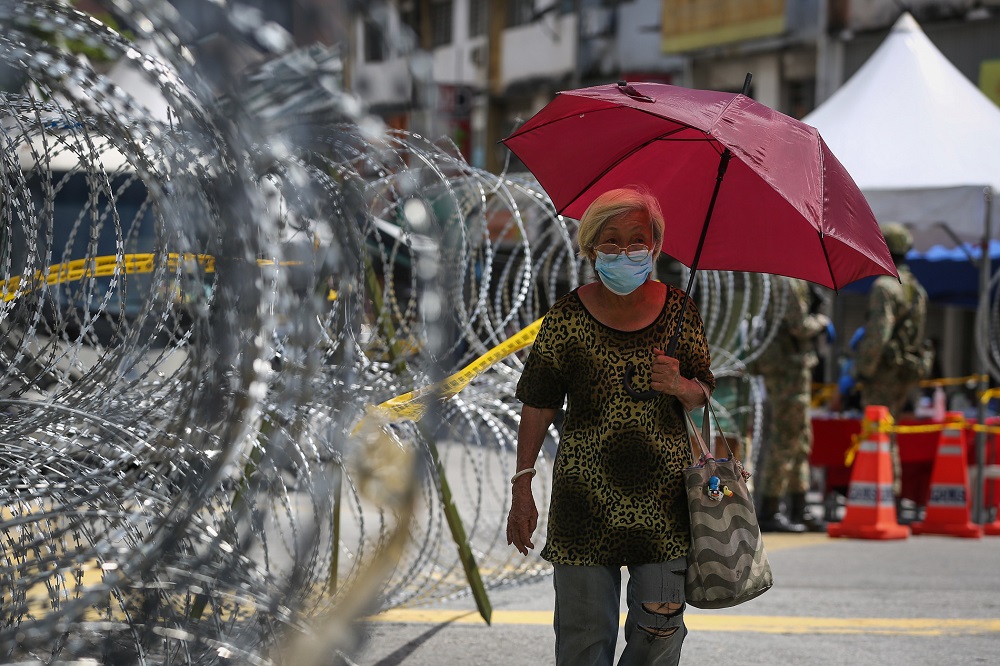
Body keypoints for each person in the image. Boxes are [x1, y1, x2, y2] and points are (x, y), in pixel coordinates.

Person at [506, 187, 715, 666]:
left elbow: (705, 389)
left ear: (656, 246)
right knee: (582, 642)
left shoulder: (680, 311)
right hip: (583, 506)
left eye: (636, 240)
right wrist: (522, 487)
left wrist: (680, 385)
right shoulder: (566, 317)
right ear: (590, 248)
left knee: (659, 635)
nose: (625, 252)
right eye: (611, 241)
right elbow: (537, 404)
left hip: (664, 507)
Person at [854, 222, 932, 501]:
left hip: (883, 374)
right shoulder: (917, 290)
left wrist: (862, 371)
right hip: (904, 372)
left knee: (877, 434)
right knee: (891, 435)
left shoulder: (885, 287)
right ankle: (891, 494)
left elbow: (878, 334)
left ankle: (877, 496)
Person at [751, 276, 831, 533]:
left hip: (791, 366)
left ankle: (799, 505)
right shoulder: (787, 281)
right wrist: (822, 320)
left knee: (800, 437)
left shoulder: (780, 279)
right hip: (788, 367)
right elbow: (800, 326)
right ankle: (771, 508)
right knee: (786, 436)